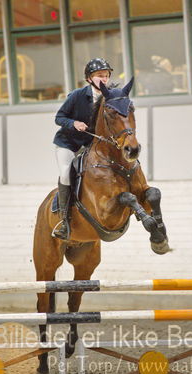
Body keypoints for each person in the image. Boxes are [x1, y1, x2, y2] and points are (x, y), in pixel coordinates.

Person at [53, 57, 113, 240]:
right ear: (89, 79)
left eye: (106, 76)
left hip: (90, 145)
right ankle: (63, 220)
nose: (104, 79)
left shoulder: (111, 95)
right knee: (65, 173)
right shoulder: (77, 95)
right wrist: (74, 123)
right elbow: (59, 117)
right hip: (69, 144)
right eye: (99, 76)